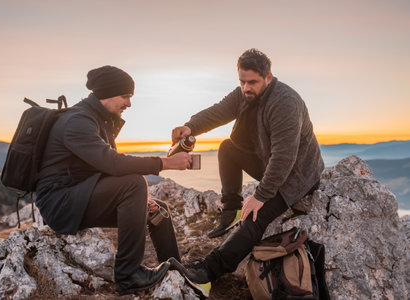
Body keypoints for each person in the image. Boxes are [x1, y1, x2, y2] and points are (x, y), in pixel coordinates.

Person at [169, 49, 324, 297]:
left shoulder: (286, 102)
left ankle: (209, 272)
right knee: (227, 149)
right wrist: (190, 126)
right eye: (242, 81)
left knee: (256, 217)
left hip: (296, 175)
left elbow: (284, 158)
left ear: (269, 77)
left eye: (252, 82)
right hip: (270, 161)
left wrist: (261, 196)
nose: (246, 87)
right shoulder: (245, 93)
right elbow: (219, 111)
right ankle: (231, 210)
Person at [35, 65, 192, 295]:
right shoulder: (77, 122)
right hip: (60, 204)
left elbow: (108, 168)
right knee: (135, 184)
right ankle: (129, 275)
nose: (129, 103)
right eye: (125, 96)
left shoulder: (99, 120)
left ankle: (176, 271)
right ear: (107, 93)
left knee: (158, 210)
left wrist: (141, 203)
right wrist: (166, 163)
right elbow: (114, 164)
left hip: (79, 194)